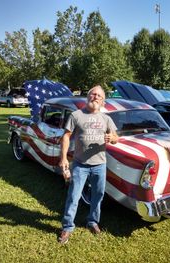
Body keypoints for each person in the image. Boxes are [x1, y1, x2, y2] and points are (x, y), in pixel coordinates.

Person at [58, 85, 118, 244]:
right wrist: (63, 158)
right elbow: (66, 136)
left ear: (103, 101)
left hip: (100, 165)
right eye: (93, 94)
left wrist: (111, 138)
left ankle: (93, 221)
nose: (95, 97)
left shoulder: (106, 118)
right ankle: (67, 226)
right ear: (88, 96)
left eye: (99, 95)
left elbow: (116, 137)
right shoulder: (76, 115)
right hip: (80, 164)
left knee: (98, 196)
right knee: (74, 196)